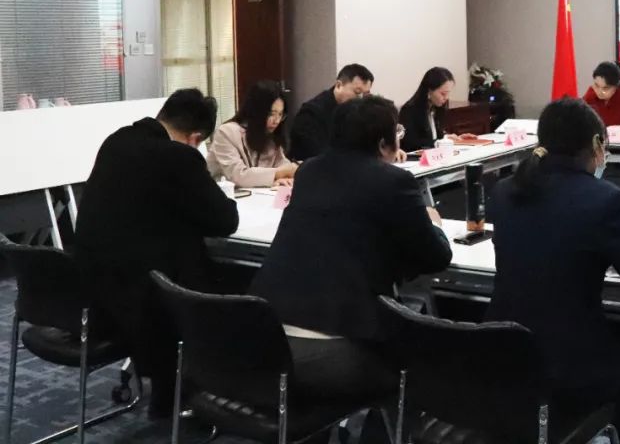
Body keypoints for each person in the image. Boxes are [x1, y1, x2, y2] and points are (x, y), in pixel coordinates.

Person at [249, 96, 451, 432]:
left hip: (268, 337)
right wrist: (434, 224)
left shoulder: (310, 171)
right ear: (384, 142)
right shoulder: (393, 181)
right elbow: (436, 256)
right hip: (333, 349)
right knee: (423, 362)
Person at [486, 98, 620, 444]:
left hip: (502, 353)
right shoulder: (606, 200)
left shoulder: (504, 191)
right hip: (565, 366)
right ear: (596, 144)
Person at [74, 89, 239, 418]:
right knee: (227, 276)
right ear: (195, 138)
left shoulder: (117, 141)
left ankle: (170, 391)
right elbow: (225, 220)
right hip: (142, 300)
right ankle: (206, 385)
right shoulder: (178, 157)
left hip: (89, 291)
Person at [207, 80, 297, 187]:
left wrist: (287, 176)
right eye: (271, 114)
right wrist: (279, 173)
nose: (276, 121)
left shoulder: (271, 136)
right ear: (256, 112)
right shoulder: (226, 133)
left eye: (280, 114)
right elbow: (238, 176)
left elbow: (284, 166)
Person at [288, 64, 374, 161]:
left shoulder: (360, 111)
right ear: (338, 85)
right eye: (357, 92)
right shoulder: (312, 112)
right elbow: (317, 154)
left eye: (365, 95)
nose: (361, 99)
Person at [398, 67, 456, 152]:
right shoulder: (409, 110)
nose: (446, 98)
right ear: (429, 91)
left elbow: (436, 135)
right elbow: (411, 143)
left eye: (448, 93)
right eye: (443, 94)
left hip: (434, 154)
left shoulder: (436, 107)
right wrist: (438, 142)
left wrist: (446, 138)